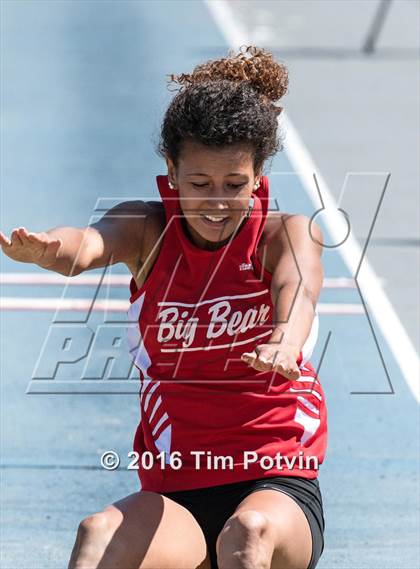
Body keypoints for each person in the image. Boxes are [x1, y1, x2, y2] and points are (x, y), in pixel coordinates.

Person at [0, 46, 328, 569]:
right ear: (171, 171)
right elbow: (87, 245)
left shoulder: (283, 234)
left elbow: (300, 289)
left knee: (247, 534)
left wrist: (285, 338)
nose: (217, 202)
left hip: (275, 483)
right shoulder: (148, 228)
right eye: (199, 184)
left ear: (260, 174)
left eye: (235, 185)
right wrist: (47, 249)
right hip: (178, 487)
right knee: (98, 535)